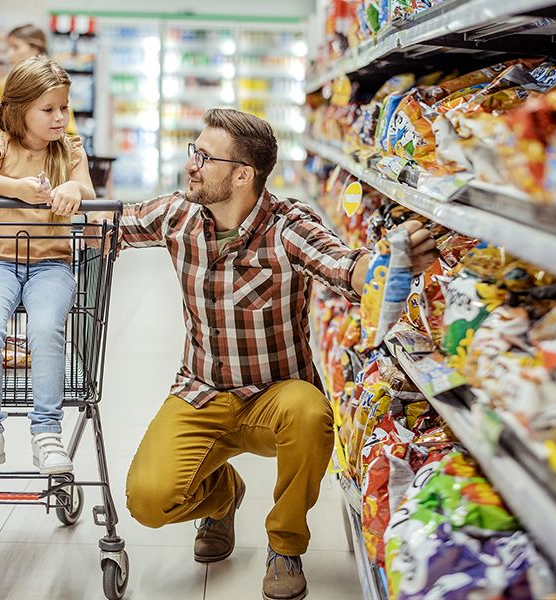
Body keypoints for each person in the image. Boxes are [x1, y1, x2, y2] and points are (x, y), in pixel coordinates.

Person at [114, 108, 436, 600]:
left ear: (243, 175)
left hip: (275, 399)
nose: (191, 165)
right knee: (148, 501)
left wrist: (387, 264)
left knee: (311, 412)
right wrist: (55, 194)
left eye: (204, 156)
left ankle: (285, 544)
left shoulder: (287, 227)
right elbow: (111, 226)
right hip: (201, 392)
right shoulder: (177, 214)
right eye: (193, 152)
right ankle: (224, 498)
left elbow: (343, 266)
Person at [0, 56, 95, 475]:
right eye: (48, 109)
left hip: (52, 264)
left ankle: (47, 431)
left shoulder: (69, 149)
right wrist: (15, 188)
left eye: (64, 108)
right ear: (19, 110)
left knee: (46, 329)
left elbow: (86, 187)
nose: (59, 117)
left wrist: (72, 186)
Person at [0, 24, 77, 134]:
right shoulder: (8, 82)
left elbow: (68, 132)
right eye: (9, 48)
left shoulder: (53, 80)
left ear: (35, 48)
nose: (9, 54)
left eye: (16, 47)